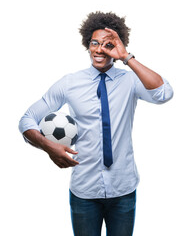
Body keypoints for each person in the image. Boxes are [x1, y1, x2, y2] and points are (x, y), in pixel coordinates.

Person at [19, 12, 173, 236]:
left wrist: (127, 58)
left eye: (107, 44)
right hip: (84, 191)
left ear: (117, 46)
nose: (99, 50)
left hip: (123, 189)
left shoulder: (130, 81)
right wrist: (47, 146)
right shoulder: (70, 83)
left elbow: (164, 93)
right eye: (94, 43)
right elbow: (27, 119)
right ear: (87, 44)